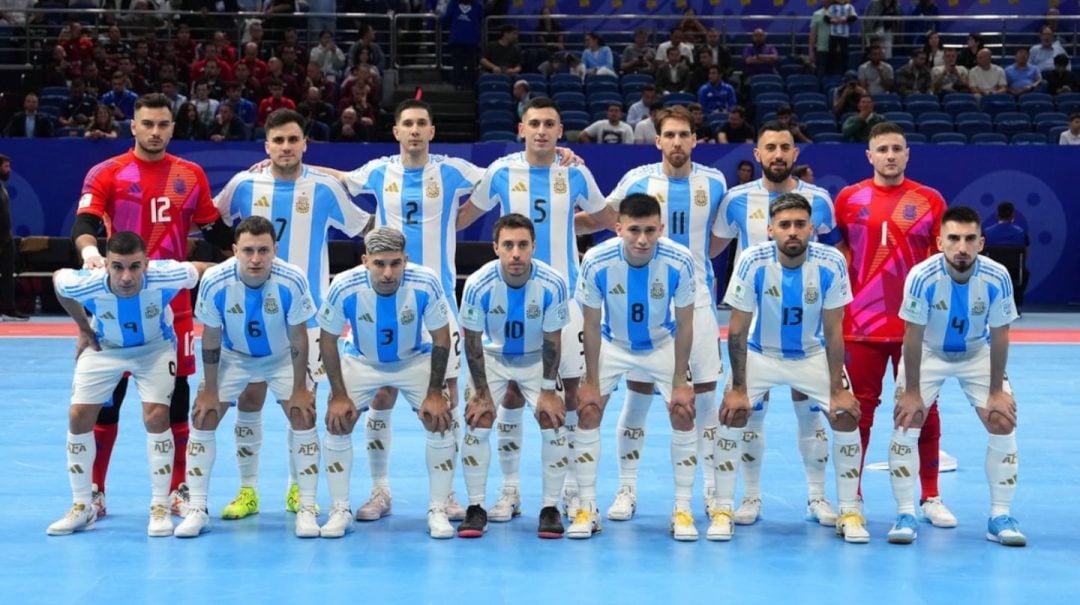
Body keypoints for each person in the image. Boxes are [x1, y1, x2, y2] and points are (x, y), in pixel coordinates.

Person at [71, 93, 235, 521]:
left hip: (173, 307)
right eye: (148, 124)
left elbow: (215, 230)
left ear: (172, 128)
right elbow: (86, 223)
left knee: (175, 397)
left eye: (163, 125)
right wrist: (90, 253)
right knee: (106, 401)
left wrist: (253, 253)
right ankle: (95, 493)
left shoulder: (190, 174)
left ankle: (179, 488)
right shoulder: (107, 172)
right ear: (134, 127)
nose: (156, 132)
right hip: (115, 301)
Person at [211, 108, 371, 520]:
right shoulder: (244, 184)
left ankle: (299, 491)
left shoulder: (324, 190)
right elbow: (212, 222)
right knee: (250, 396)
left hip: (308, 319)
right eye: (277, 141)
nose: (285, 147)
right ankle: (247, 492)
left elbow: (364, 228)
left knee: (301, 404)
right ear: (266, 147)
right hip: (248, 315)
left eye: (292, 140)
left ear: (305, 144)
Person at [460, 96, 614, 523]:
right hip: (510, 297)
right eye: (534, 124)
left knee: (568, 396)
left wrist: (569, 225)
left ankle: (568, 492)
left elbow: (605, 218)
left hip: (565, 301)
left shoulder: (576, 172)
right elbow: (461, 216)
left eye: (550, 124)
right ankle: (509, 492)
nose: (542, 130)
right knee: (509, 392)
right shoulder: (500, 172)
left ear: (560, 131)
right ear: (521, 129)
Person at [331, 99, 483, 523]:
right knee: (381, 394)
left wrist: (565, 154)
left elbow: (502, 179)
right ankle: (380, 492)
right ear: (396, 132)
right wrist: (275, 167)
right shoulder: (379, 171)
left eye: (422, 124)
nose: (414, 130)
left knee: (446, 398)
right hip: (386, 298)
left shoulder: (453, 171)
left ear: (432, 132)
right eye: (407, 124)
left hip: (439, 306)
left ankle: (449, 494)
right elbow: (337, 177)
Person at [713, 193, 865, 543]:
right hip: (760, 353)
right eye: (784, 225)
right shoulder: (752, 261)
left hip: (811, 354)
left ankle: (844, 508)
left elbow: (834, 329)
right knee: (733, 415)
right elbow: (737, 328)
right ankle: (729, 506)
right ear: (770, 229)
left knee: (845, 416)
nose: (793, 232)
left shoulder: (830, 263)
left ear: (812, 228)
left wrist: (838, 389)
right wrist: (737, 387)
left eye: (800, 225)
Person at [601, 106, 727, 524]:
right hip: (648, 304)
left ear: (695, 140)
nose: (677, 142)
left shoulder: (714, 181)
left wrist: (697, 269)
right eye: (669, 135)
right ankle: (626, 488)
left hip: (701, 301)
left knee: (704, 397)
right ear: (658, 140)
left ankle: (712, 490)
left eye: (684, 135)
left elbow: (717, 238)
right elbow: (605, 219)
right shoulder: (638, 180)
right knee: (638, 395)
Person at [711, 121, 841, 526]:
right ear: (758, 153)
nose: (779, 154)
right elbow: (711, 248)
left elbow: (831, 254)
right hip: (755, 332)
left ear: (795, 153)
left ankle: (818, 498)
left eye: (786, 146)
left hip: (808, 331)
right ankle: (750, 497)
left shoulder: (819, 200)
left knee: (810, 415)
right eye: (771, 147)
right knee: (750, 415)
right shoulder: (734, 200)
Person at [833, 122, 953, 528]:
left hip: (915, 327)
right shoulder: (848, 200)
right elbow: (838, 255)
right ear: (869, 155)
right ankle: (853, 497)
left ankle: (930, 495)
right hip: (860, 325)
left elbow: (944, 261)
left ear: (907, 154)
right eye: (881, 149)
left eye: (896, 148)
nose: (889, 155)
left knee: (924, 411)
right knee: (857, 414)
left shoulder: (931, 200)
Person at [46, 232, 202, 536]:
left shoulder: (166, 274)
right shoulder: (87, 281)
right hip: (105, 348)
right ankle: (82, 505)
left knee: (157, 416)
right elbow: (57, 280)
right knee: (78, 416)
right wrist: (82, 327)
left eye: (134, 267)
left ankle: (159, 506)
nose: (127, 276)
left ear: (146, 263)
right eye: (118, 267)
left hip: (154, 350)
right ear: (106, 265)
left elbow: (203, 270)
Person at [174, 216, 319, 538]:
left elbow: (298, 337)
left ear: (275, 250)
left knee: (303, 414)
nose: (256, 259)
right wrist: (210, 389)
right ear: (235, 250)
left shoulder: (291, 279)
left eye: (264, 251)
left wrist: (299, 389)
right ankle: (200, 506)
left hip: (281, 355)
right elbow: (210, 338)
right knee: (204, 415)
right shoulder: (214, 280)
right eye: (248, 250)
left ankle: (305, 503)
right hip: (234, 356)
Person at [889, 206, 1024, 547]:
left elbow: (1001, 334)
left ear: (981, 242)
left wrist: (996, 391)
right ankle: (905, 513)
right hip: (930, 353)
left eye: (968, 239)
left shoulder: (997, 276)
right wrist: (912, 391)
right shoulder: (921, 277)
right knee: (908, 418)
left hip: (977, 352)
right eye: (953, 238)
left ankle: (1000, 516)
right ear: (939, 242)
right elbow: (912, 336)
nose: (961, 247)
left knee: (1002, 419)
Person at [317, 227, 457, 539]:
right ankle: (343, 508)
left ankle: (438, 507)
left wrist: (435, 391)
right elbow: (327, 341)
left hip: (413, 359)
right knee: (337, 421)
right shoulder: (344, 286)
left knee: (440, 418)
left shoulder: (426, 282)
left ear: (406, 260)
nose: (388, 272)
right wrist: (337, 394)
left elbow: (441, 337)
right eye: (380, 264)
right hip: (363, 360)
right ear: (365, 260)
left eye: (396, 263)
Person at [572, 193, 697, 540]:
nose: (642, 240)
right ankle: (586, 506)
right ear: (618, 229)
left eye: (650, 231)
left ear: (661, 228)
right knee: (588, 410)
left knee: (684, 411)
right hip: (614, 343)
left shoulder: (679, 260)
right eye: (634, 231)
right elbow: (592, 325)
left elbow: (686, 323)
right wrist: (592, 380)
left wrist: (680, 379)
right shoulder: (597, 260)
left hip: (662, 344)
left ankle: (683, 508)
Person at [457, 213, 571, 539]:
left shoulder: (553, 283)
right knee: (477, 420)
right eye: (508, 245)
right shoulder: (478, 284)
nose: (516, 253)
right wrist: (480, 392)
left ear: (534, 246)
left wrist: (549, 389)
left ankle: (550, 508)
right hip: (493, 357)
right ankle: (476, 507)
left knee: (552, 418)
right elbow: (473, 341)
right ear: (495, 248)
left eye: (523, 245)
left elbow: (552, 341)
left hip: (536, 358)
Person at [983, 201, 1030, 312]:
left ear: (997, 215)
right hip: (1015, 271)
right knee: (1024, 274)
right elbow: (1025, 254)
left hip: (992, 271)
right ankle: (1016, 305)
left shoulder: (987, 233)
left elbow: (981, 253)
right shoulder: (1021, 233)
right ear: (1013, 215)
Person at [0, 154, 28, 321]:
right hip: (1, 239)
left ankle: (9, 309)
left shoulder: (2, 187)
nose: (8, 170)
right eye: (5, 166)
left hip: (6, 238)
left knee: (8, 275)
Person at [440, 0, 483, 90]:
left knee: (458, 63)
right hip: (471, 38)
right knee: (470, 63)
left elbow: (446, 18)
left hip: (457, 38)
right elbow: (481, 17)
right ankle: (469, 84)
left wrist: (439, 17)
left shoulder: (453, 3)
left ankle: (458, 83)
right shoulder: (478, 5)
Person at [826, 0, 858, 75]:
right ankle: (831, 72)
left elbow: (854, 17)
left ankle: (844, 71)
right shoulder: (832, 7)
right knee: (831, 53)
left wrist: (845, 19)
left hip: (844, 34)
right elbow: (826, 18)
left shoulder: (849, 7)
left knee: (844, 53)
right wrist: (832, 20)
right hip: (833, 33)